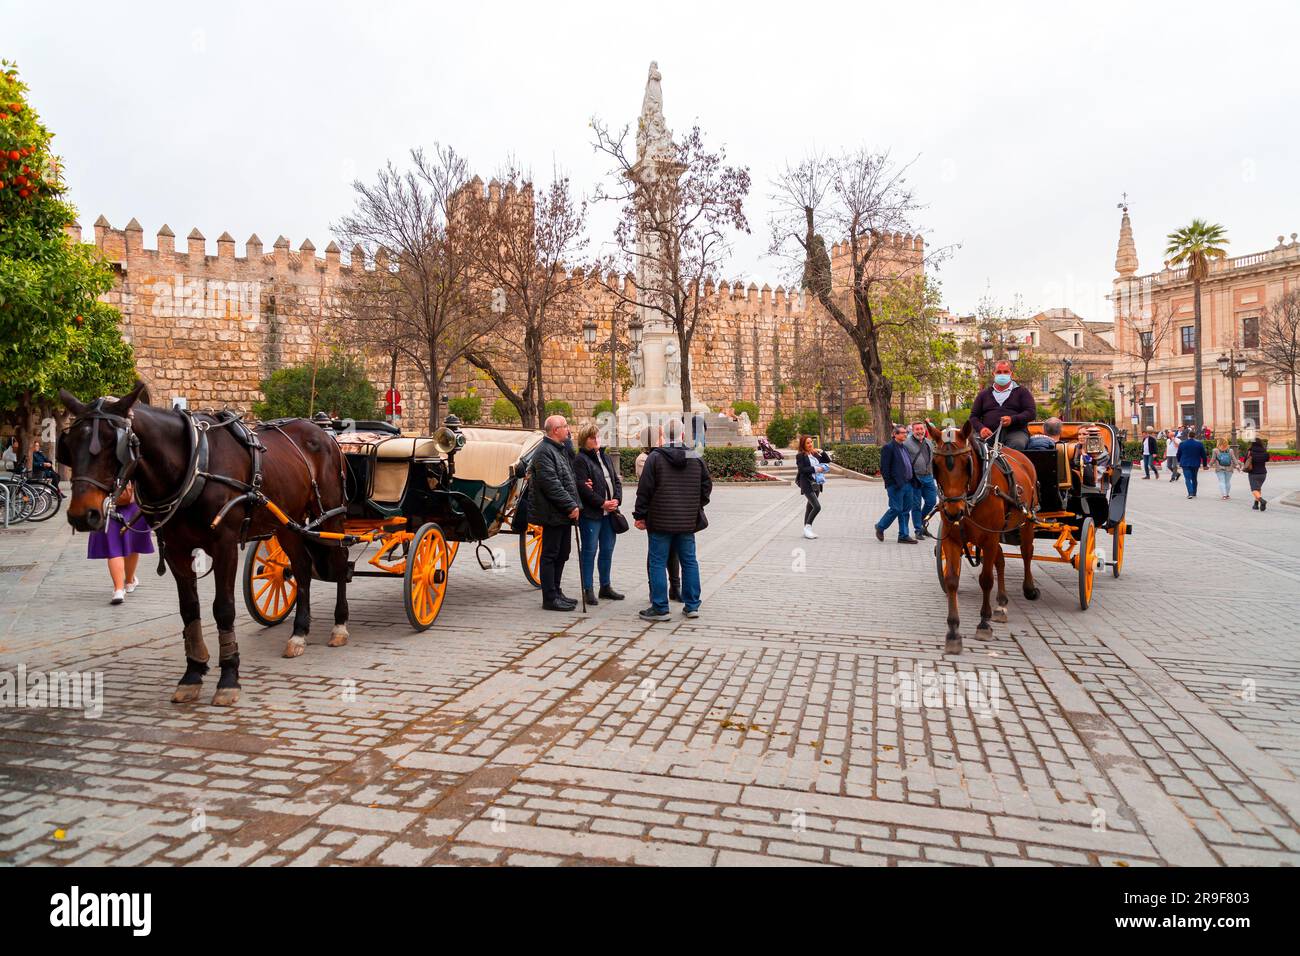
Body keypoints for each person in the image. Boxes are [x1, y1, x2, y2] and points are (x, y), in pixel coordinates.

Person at [633, 418, 711, 621]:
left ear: (663, 436)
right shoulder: (695, 456)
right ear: (683, 435)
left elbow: (645, 490)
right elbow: (706, 486)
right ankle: (692, 605)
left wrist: (640, 515)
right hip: (687, 520)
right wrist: (696, 505)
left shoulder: (655, 458)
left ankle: (660, 607)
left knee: (658, 562)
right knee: (689, 561)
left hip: (660, 520)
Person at [528, 415, 581, 611]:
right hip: (552, 513)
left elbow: (568, 478)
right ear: (555, 430)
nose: (568, 429)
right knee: (550, 554)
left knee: (562, 553)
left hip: (563, 513)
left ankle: (557, 591)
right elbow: (551, 484)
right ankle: (549, 597)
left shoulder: (560, 450)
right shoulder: (544, 452)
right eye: (565, 426)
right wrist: (570, 505)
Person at [573, 423, 624, 607]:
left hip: (610, 513)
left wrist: (616, 499)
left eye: (597, 437)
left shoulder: (606, 457)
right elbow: (582, 488)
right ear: (584, 440)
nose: (596, 440)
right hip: (592, 514)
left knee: (607, 550)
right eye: (592, 438)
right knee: (589, 551)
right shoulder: (581, 460)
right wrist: (602, 502)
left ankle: (605, 586)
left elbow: (616, 480)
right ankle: (588, 589)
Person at [87, 482, 155, 605]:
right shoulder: (132, 462)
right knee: (133, 545)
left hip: (107, 507)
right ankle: (129, 582)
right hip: (133, 507)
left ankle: (119, 589)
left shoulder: (100, 463)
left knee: (113, 550)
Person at [637, 425, 681, 601]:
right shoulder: (644, 459)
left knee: (673, 552)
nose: (663, 439)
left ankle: (675, 586)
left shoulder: (664, 456)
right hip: (655, 512)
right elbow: (646, 487)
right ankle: (654, 589)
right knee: (656, 553)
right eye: (660, 436)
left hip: (671, 511)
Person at [969, 360, 1036, 450]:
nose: (1002, 374)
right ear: (993, 374)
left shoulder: (1022, 392)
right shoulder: (983, 394)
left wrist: (1012, 419)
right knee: (973, 446)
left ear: (1011, 374)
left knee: (1017, 444)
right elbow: (973, 417)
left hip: (1015, 432)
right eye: (999, 372)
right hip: (988, 434)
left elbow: (1031, 413)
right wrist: (981, 429)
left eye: (1005, 372)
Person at [874, 424, 919, 544]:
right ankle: (880, 526)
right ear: (895, 434)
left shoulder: (903, 447)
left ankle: (903, 535)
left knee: (905, 510)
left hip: (908, 484)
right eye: (902, 433)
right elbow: (884, 468)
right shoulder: (888, 448)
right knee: (896, 509)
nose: (905, 434)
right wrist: (891, 484)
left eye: (906, 432)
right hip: (896, 485)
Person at [904, 422, 937, 539]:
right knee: (916, 505)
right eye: (917, 429)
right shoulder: (906, 443)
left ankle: (922, 523)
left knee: (932, 502)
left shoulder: (928, 442)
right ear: (912, 431)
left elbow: (933, 459)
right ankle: (918, 529)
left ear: (924, 430)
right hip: (915, 478)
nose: (920, 431)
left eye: (921, 429)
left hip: (929, 477)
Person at [795, 434, 831, 539]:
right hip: (807, 483)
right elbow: (801, 470)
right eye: (807, 443)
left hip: (816, 484)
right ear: (803, 445)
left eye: (811, 442)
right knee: (817, 506)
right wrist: (816, 469)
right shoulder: (800, 455)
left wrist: (822, 451)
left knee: (809, 507)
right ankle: (808, 527)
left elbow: (827, 460)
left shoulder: (814, 454)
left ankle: (806, 530)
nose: (810, 444)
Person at [1176, 428, 1208, 499]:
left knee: (1187, 478)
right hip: (1195, 463)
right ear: (1194, 436)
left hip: (1185, 463)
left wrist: (1179, 461)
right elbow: (1203, 455)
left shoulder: (1182, 443)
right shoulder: (1199, 444)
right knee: (1194, 478)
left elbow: (1178, 454)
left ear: (1188, 435)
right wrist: (1205, 465)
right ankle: (1194, 492)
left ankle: (1190, 493)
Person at [1244, 435, 1270, 511]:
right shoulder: (1265, 452)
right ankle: (1256, 504)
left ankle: (1262, 501)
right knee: (1258, 488)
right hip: (1263, 474)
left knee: (1254, 489)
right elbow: (1267, 459)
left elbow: (1245, 461)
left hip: (1253, 473)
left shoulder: (1250, 452)